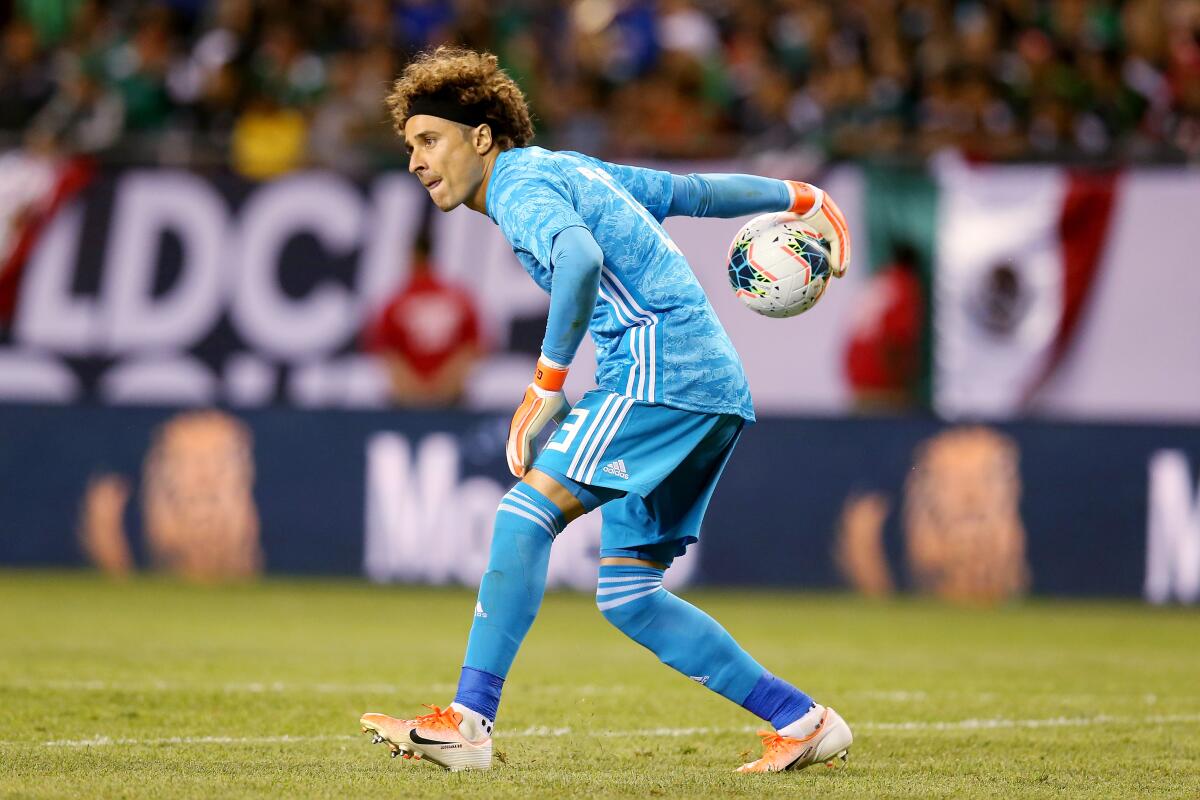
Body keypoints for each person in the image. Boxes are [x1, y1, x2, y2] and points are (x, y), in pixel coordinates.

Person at [359, 46, 854, 774]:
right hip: (710, 385)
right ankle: (802, 719)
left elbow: (581, 261)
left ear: (482, 137)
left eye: (429, 140)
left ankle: (467, 722)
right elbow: (692, 194)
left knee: (523, 516)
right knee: (629, 593)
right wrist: (798, 196)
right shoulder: (571, 169)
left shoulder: (520, 184)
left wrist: (546, 385)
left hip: (660, 371)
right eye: (410, 147)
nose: (417, 162)